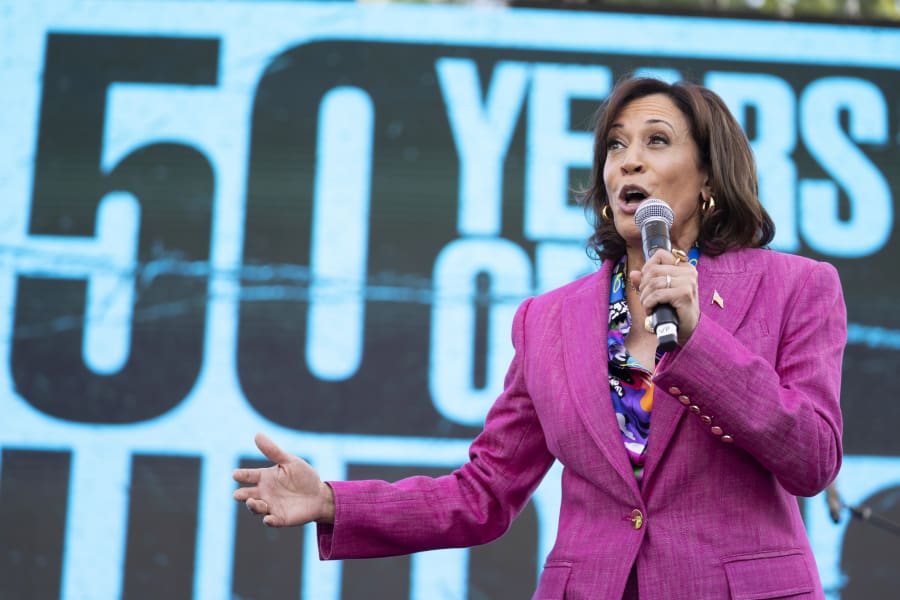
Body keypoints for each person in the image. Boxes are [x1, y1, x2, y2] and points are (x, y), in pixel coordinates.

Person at [233, 76, 846, 599]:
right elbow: (485, 493)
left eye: (656, 141)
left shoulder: (795, 288)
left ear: (709, 174)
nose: (628, 160)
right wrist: (335, 502)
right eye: (615, 146)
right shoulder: (548, 322)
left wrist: (698, 337)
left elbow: (813, 457)